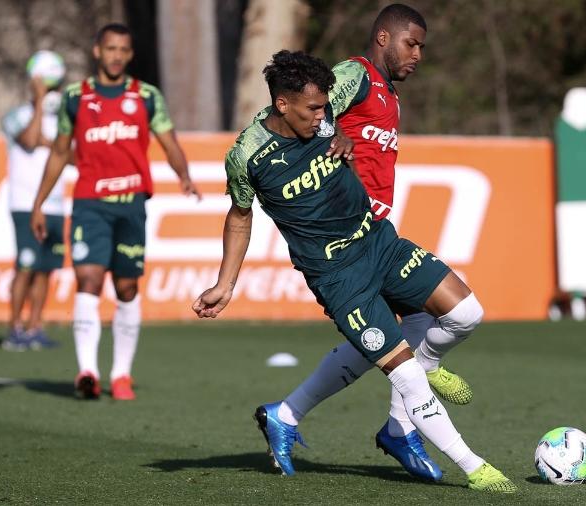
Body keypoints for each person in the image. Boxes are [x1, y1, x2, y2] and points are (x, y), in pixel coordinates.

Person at [192, 50, 515, 493]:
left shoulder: (321, 120)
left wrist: (340, 131)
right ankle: (475, 467)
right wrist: (224, 284)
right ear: (282, 105)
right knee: (406, 376)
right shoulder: (248, 156)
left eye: (326, 108)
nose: (323, 116)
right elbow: (240, 216)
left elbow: (332, 118)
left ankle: (422, 366)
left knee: (465, 313)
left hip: (379, 241)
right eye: (314, 109)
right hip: (340, 277)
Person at [261, 4, 475, 481]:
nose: (418, 54)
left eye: (421, 46)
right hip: (346, 242)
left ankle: (292, 415)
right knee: (403, 339)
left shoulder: (390, 96)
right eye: (411, 43)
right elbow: (305, 108)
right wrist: (331, 132)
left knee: (442, 318)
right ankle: (404, 431)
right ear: (383, 37)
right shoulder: (354, 75)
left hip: (378, 235)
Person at [31, 23, 201, 400]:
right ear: (97, 51)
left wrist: (184, 176)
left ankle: (121, 374)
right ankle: (87, 371)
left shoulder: (146, 97)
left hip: (132, 205)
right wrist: (39, 202)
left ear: (130, 54)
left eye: (123, 50)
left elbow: (169, 141)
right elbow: (60, 152)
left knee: (126, 287)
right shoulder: (76, 97)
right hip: (90, 203)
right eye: (110, 49)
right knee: (89, 279)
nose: (117, 56)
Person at [1, 51, 68, 352]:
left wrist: (51, 141)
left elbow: (73, 155)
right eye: (46, 87)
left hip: (55, 205)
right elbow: (29, 139)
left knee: (46, 268)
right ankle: (14, 329)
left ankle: (34, 328)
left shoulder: (63, 122)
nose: (51, 92)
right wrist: (39, 102)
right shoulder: (17, 116)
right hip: (25, 203)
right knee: (26, 266)